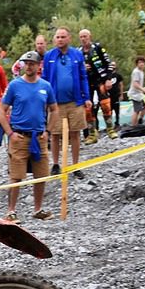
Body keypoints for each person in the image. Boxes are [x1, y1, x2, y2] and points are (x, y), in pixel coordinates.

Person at [0, 51, 57, 223]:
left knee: (41, 174)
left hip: (39, 137)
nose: (29, 66)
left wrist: (48, 131)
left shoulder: (46, 86)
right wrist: (10, 133)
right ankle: (11, 211)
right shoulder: (15, 85)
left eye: (32, 63)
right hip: (19, 136)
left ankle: (38, 209)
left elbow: (54, 109)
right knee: (16, 175)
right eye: (26, 63)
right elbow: (1, 110)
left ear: (38, 66)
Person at [41, 27, 90, 178]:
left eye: (63, 37)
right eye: (58, 37)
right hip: (55, 103)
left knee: (75, 133)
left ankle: (75, 165)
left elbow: (83, 77)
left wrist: (87, 97)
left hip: (75, 101)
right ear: (54, 39)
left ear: (69, 38)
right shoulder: (49, 56)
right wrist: (44, 99)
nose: (60, 39)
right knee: (55, 134)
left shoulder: (77, 54)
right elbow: (44, 79)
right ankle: (56, 164)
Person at [78, 28, 117, 142]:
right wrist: (82, 68)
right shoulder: (78, 52)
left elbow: (109, 63)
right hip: (86, 83)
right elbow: (74, 68)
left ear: (90, 37)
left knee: (105, 104)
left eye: (85, 36)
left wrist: (108, 79)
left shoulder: (98, 48)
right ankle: (92, 134)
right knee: (88, 108)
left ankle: (110, 129)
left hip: (100, 80)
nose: (83, 39)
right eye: (81, 37)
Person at [128, 57, 145, 125]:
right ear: (137, 64)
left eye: (142, 62)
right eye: (139, 62)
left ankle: (140, 119)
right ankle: (134, 126)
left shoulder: (141, 72)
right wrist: (144, 90)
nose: (141, 64)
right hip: (135, 94)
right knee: (137, 110)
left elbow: (139, 84)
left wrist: (144, 89)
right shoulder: (136, 72)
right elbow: (135, 84)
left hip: (139, 93)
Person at [107, 61, 124, 129]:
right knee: (109, 111)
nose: (113, 66)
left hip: (116, 95)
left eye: (114, 65)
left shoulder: (118, 76)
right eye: (111, 65)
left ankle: (117, 123)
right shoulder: (107, 76)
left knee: (117, 111)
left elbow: (121, 85)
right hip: (108, 96)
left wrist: (121, 95)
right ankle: (109, 125)